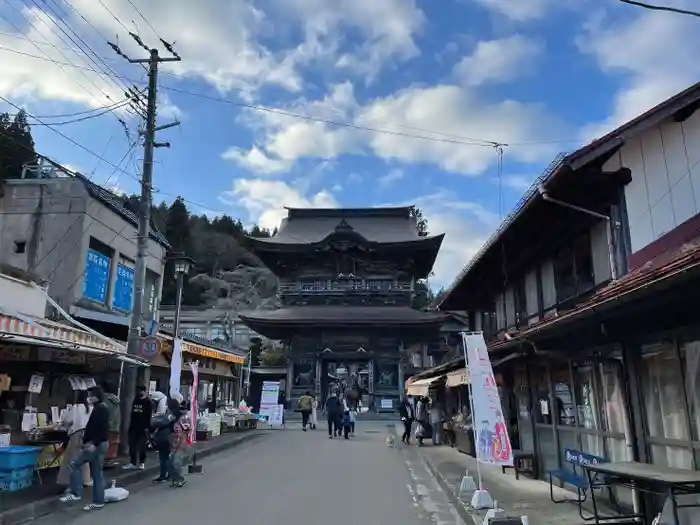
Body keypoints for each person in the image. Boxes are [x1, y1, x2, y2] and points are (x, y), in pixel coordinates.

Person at [60, 386, 109, 511]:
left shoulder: (101, 409)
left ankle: (76, 493)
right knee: (97, 474)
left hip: (97, 444)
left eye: (91, 395)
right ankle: (98, 501)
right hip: (96, 443)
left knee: (74, 464)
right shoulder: (97, 408)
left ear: (97, 396)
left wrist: (94, 444)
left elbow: (103, 430)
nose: (89, 397)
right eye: (88, 395)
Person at [57, 391, 92, 490]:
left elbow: (68, 421)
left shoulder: (76, 407)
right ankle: (86, 480)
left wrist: (61, 423)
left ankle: (71, 484)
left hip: (76, 434)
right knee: (84, 459)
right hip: (87, 435)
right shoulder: (90, 408)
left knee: (71, 459)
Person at [123, 385, 152, 470]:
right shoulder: (135, 400)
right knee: (132, 444)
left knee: (142, 445)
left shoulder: (148, 402)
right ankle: (133, 462)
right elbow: (132, 413)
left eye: (141, 391)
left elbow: (148, 416)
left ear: (144, 391)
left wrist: (147, 427)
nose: (139, 393)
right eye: (138, 391)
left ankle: (142, 462)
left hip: (143, 427)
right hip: (133, 426)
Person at [151, 398, 178, 483]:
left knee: (164, 457)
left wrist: (156, 422)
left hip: (166, 437)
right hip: (171, 438)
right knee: (168, 456)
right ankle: (169, 475)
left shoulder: (171, 415)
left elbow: (163, 423)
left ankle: (164, 475)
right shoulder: (177, 414)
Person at [167, 397, 190, 488]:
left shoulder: (182, 417)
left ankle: (180, 478)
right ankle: (174, 479)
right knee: (170, 462)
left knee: (176, 462)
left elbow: (187, 428)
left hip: (181, 442)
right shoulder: (171, 417)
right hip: (173, 441)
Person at [101, 382, 120, 465]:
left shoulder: (104, 399)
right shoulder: (116, 399)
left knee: (104, 444)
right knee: (113, 443)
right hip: (115, 425)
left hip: (106, 425)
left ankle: (103, 461)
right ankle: (110, 461)